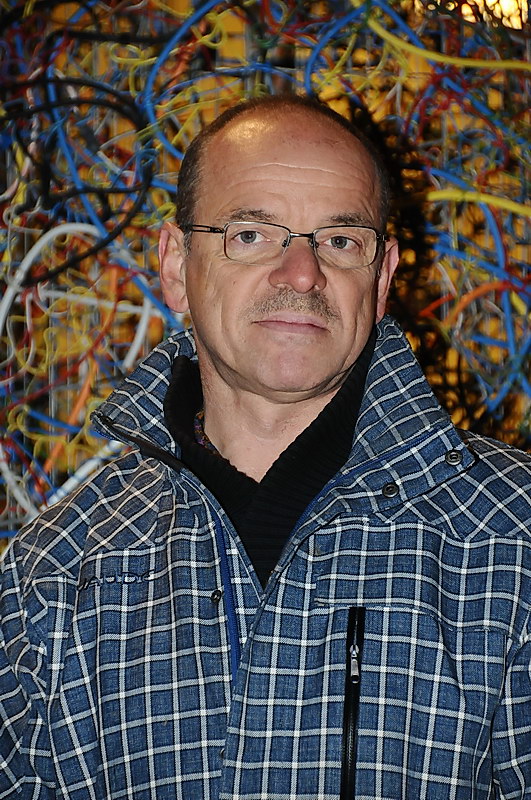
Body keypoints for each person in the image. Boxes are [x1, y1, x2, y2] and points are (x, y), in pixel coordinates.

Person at [1, 94, 529, 800]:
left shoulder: (513, 536)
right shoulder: (54, 574)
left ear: (380, 278)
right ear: (175, 265)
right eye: (251, 234)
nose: (302, 273)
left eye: (340, 241)